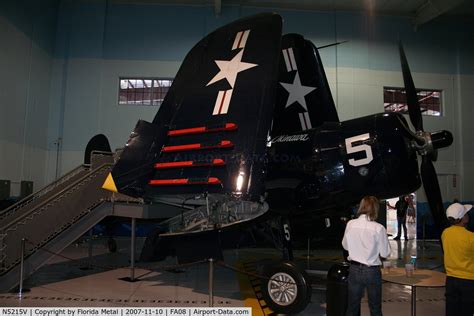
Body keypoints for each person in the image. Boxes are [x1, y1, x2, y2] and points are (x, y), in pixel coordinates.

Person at [342, 196, 391, 316]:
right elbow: (385, 253)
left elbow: (345, 246)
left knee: (352, 306)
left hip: (354, 269)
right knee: (375, 308)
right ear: (375, 209)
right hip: (371, 271)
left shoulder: (350, 224)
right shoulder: (378, 228)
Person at [441, 202, 474, 316]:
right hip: (469, 281)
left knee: (451, 311)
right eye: (466, 213)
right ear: (462, 218)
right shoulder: (470, 237)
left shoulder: (445, 233)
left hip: (451, 280)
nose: (468, 215)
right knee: (466, 311)